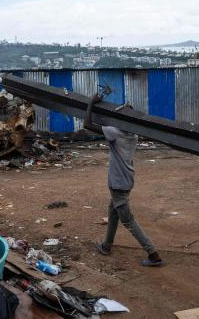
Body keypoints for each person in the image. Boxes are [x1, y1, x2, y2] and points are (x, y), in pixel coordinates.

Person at [84, 93, 163, 267]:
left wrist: (91, 102)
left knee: (127, 220)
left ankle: (153, 253)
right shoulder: (133, 135)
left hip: (118, 183)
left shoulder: (115, 133)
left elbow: (87, 124)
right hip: (127, 180)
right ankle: (106, 246)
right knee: (113, 212)